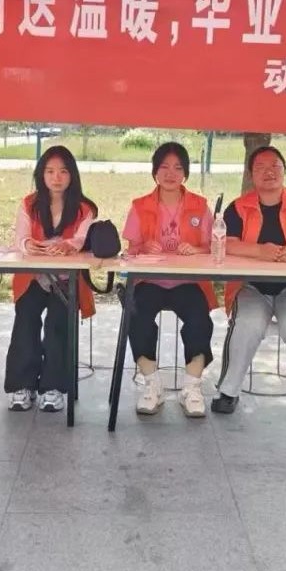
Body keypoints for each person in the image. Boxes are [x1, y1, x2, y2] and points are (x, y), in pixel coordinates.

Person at [212, 146, 286, 423]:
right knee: (247, 324)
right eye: (261, 167)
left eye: (275, 166)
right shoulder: (238, 208)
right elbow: (225, 243)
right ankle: (228, 391)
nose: (269, 172)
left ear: (284, 171)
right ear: (251, 175)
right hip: (251, 287)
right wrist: (259, 251)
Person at [121, 142, 216, 417]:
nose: (171, 173)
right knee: (136, 316)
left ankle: (191, 388)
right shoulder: (140, 206)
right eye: (164, 167)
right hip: (150, 281)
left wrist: (196, 249)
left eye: (177, 167)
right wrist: (143, 247)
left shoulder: (200, 205)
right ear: (155, 172)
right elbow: (130, 250)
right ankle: (152, 385)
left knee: (199, 320)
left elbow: (213, 247)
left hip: (188, 282)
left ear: (185, 172)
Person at [5, 145, 97, 413]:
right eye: (50, 171)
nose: (56, 177)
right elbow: (20, 237)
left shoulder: (85, 208)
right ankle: (22, 385)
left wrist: (69, 245)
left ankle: (53, 387)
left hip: (67, 280)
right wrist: (28, 244)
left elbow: (82, 239)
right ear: (41, 174)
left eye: (63, 171)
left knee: (59, 322)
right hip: (33, 277)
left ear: (72, 175)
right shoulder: (28, 203)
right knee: (26, 318)